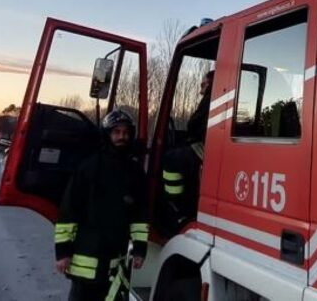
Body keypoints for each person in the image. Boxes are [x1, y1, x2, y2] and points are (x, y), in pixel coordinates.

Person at [54, 109, 148, 301]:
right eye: (116, 132)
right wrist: (63, 252)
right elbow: (69, 211)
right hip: (85, 264)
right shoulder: (88, 167)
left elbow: (140, 215)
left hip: (115, 264)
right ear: (107, 134)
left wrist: (139, 249)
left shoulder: (135, 172)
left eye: (126, 132)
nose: (122, 137)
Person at [161, 70, 213, 225]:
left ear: (210, 84)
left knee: (170, 158)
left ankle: (175, 202)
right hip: (208, 144)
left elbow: (194, 125)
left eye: (203, 84)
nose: (200, 89)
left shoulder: (209, 99)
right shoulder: (215, 98)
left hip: (206, 147)